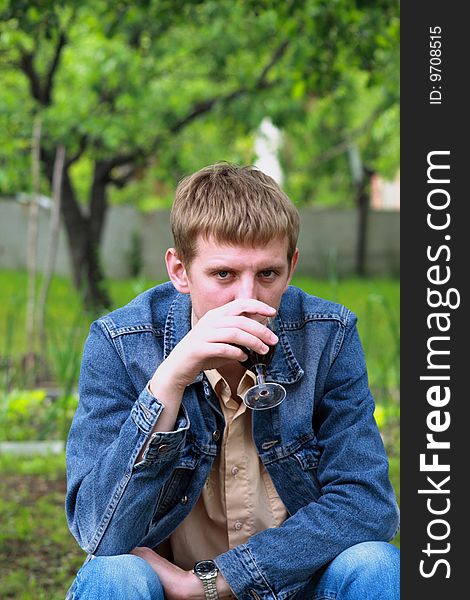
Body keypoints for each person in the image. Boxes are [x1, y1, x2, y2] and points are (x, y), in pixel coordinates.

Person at [65, 163, 400, 600]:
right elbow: (99, 531)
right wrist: (169, 380)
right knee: (115, 577)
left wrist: (211, 583)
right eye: (223, 275)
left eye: (267, 274)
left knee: (376, 565)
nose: (248, 300)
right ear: (180, 271)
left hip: (289, 589)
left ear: (291, 267)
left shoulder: (327, 336)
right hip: (164, 592)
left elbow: (368, 505)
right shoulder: (121, 344)